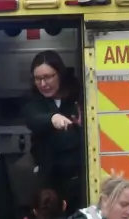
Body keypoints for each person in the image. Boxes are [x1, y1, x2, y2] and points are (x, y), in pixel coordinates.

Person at [21, 50, 85, 206]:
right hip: (49, 180)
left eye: (48, 77)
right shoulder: (32, 99)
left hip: (79, 179)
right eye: (38, 79)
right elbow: (32, 119)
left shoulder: (78, 95)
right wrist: (51, 118)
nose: (43, 84)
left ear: (60, 74)